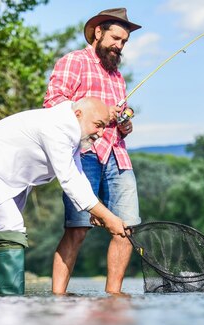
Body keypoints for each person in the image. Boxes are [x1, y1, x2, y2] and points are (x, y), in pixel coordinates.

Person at [0, 98, 127, 295]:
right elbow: (69, 180)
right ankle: (10, 306)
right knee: (10, 229)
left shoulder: (70, 133)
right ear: (78, 115)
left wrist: (98, 210)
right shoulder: (58, 128)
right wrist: (108, 217)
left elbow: (78, 175)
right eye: (98, 125)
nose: (101, 133)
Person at [44, 8, 142, 295]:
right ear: (98, 32)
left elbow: (119, 119)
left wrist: (124, 122)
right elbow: (53, 103)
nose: (119, 46)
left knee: (125, 228)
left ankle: (114, 296)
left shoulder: (118, 77)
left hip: (118, 155)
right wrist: (97, 111)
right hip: (83, 153)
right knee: (77, 228)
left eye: (124, 42)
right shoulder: (74, 61)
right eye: (115, 38)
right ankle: (58, 296)